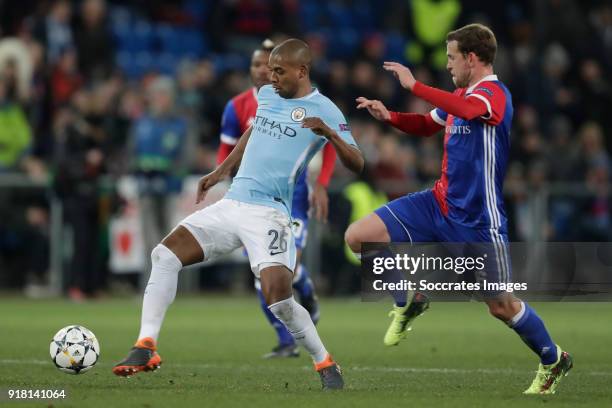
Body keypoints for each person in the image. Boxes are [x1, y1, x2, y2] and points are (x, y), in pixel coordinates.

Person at [113, 38, 364, 390]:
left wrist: (329, 135)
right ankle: (145, 345)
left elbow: (358, 162)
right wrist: (220, 171)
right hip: (232, 204)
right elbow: (252, 131)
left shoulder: (326, 109)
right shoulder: (267, 96)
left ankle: (325, 362)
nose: (269, 76)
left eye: (278, 71)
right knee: (164, 254)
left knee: (279, 300)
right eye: (268, 69)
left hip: (270, 215)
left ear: (302, 71)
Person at [346, 23, 572, 394]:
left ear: (471, 57)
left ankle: (554, 359)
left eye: (452, 57)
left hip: (478, 221)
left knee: (501, 306)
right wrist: (391, 118)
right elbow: (426, 124)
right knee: (358, 237)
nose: (448, 64)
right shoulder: (461, 95)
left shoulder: (494, 95)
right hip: (437, 203)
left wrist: (416, 86)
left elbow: (466, 110)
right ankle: (409, 300)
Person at [217, 39, 337, 358]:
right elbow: (226, 151)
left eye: (268, 66)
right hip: (250, 200)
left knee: (287, 269)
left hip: (292, 198)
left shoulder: (299, 102)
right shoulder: (237, 106)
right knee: (262, 275)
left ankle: (306, 293)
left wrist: (322, 184)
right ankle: (286, 341)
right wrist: (224, 183)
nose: (262, 71)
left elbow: (329, 144)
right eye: (256, 65)